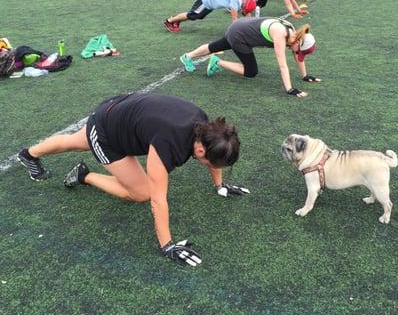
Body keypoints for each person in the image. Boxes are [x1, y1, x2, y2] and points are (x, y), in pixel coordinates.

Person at [18, 92, 247, 267]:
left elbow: (216, 155)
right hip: (108, 131)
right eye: (212, 165)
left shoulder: (206, 129)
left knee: (72, 141)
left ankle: (29, 154)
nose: (214, 168)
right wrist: (168, 245)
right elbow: (158, 199)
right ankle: (85, 175)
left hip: (117, 109)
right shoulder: (169, 143)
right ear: (199, 151)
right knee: (142, 193)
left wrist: (220, 185)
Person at [179, 17, 320, 98]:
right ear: (297, 42)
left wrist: (305, 75)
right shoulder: (280, 34)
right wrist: (290, 89)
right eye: (300, 51)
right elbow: (282, 65)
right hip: (240, 37)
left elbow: (297, 55)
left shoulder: (293, 33)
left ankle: (187, 56)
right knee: (251, 71)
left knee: (214, 46)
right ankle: (218, 61)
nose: (298, 54)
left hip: (239, 26)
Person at [163, 0, 257, 32]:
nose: (244, 12)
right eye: (244, 10)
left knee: (199, 16)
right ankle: (170, 21)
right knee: (193, 15)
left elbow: (247, 13)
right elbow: (234, 20)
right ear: (244, 5)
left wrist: (250, 27)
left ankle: (177, 20)